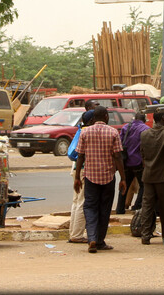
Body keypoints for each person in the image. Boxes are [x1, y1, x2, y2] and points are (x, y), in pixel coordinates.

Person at [74, 106, 126, 253]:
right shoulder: (113, 132)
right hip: (108, 177)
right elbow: (117, 156)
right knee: (104, 209)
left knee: (90, 207)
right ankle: (100, 241)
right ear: (105, 116)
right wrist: (123, 178)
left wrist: (77, 177)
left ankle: (92, 238)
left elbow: (80, 156)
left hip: (90, 176)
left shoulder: (85, 132)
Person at [138, 111, 164, 245]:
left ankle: (145, 235)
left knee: (147, 206)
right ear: (163, 118)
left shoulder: (144, 134)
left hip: (148, 174)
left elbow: (142, 155)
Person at [68, 100, 97, 244]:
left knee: (76, 200)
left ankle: (73, 232)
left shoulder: (81, 129)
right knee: (83, 202)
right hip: (83, 170)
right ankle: (77, 235)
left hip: (75, 169)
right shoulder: (87, 132)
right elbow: (81, 155)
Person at [116, 112, 149, 214]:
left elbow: (120, 143)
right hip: (138, 162)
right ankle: (136, 206)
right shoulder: (145, 129)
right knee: (143, 185)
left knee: (124, 183)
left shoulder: (126, 127)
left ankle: (120, 209)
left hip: (126, 161)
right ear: (144, 119)